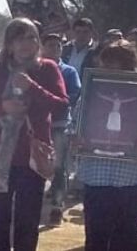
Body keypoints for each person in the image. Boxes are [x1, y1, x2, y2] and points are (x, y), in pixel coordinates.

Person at [0, 18, 68, 251]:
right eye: (20, 38)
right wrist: (3, 108)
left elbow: (61, 106)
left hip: (32, 158)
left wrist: (32, 87)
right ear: (9, 44)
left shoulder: (47, 69)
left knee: (27, 222)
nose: (26, 43)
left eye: (32, 37)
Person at [73, 40, 137, 251]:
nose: (112, 68)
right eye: (108, 63)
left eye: (119, 63)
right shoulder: (92, 89)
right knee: (96, 235)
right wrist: (76, 138)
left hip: (132, 176)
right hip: (96, 176)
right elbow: (75, 125)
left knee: (130, 235)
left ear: (130, 64)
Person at [40, 33, 81, 225]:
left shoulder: (69, 71)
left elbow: (74, 95)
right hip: (38, 124)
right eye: (50, 45)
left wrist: (54, 102)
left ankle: (57, 205)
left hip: (60, 123)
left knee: (59, 166)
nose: (54, 49)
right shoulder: (36, 68)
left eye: (58, 46)